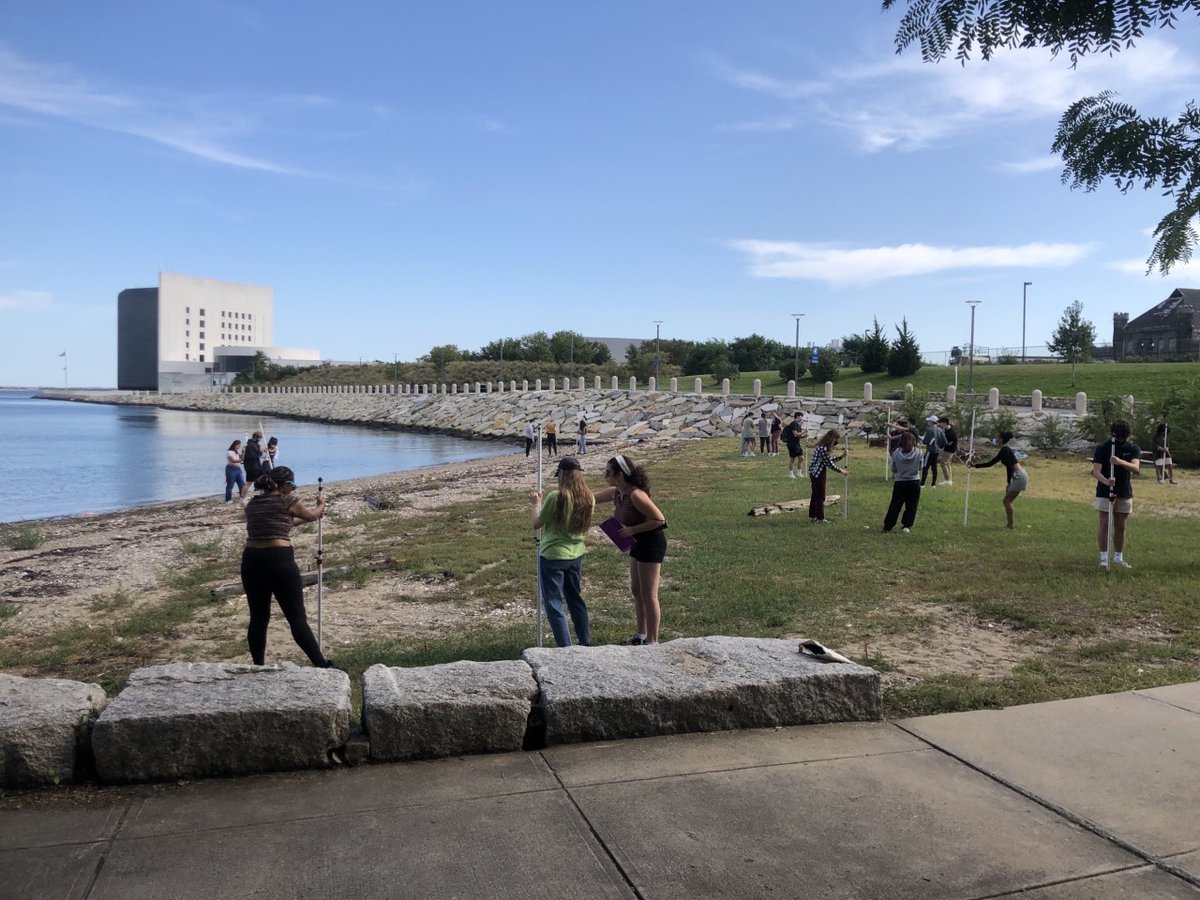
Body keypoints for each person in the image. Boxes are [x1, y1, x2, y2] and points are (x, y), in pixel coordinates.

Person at [240, 466, 336, 668]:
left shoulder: (253, 504)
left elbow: (282, 522)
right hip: (279, 559)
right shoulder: (289, 500)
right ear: (284, 485)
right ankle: (321, 664)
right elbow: (311, 516)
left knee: (258, 617)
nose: (293, 488)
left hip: (251, 561)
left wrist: (313, 514)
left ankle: (258, 665)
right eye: (292, 484)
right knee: (296, 617)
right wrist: (321, 505)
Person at [594, 454, 667, 645]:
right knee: (636, 590)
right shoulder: (616, 492)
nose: (605, 476)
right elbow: (591, 498)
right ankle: (641, 634)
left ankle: (652, 641)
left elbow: (660, 520)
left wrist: (632, 530)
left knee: (649, 594)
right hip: (637, 542)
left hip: (650, 542)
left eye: (608, 473)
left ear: (620, 475)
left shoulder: (636, 494)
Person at [532, 457, 594, 647]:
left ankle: (565, 647)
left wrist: (535, 504)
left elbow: (537, 523)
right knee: (575, 598)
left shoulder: (556, 497)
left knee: (553, 603)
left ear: (561, 475)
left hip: (553, 555)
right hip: (576, 553)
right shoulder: (589, 498)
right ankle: (584, 641)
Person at [1093, 420, 1141, 568]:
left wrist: (1120, 462)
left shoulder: (1132, 448)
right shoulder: (1103, 448)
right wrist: (1106, 481)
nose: (1121, 439)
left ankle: (1118, 557)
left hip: (1123, 492)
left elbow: (1136, 468)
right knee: (1105, 523)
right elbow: (1096, 471)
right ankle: (1103, 557)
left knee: (1121, 525)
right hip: (1106, 492)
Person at [969, 431, 1028, 529]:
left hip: (1019, 476)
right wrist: (974, 465)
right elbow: (990, 463)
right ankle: (1009, 525)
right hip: (1018, 475)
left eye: (996, 438)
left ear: (1001, 440)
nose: (994, 440)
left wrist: (1009, 482)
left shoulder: (1005, 450)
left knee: (1007, 501)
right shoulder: (1004, 450)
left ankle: (1010, 526)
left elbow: (1009, 467)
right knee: (1008, 501)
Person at [882, 430, 922, 532]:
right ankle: (907, 525)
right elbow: (921, 467)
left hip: (900, 481)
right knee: (912, 504)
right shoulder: (918, 452)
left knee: (895, 504)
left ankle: (888, 525)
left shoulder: (896, 453)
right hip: (914, 481)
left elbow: (893, 469)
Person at [808, 429, 848, 523]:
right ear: (832, 439)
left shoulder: (821, 447)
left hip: (815, 473)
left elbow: (828, 460)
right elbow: (829, 463)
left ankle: (813, 516)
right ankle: (820, 518)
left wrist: (841, 457)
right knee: (820, 496)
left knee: (815, 495)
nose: (835, 443)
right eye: (835, 440)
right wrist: (841, 471)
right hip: (818, 473)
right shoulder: (823, 449)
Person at [920, 416, 945, 488]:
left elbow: (925, 441)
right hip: (937, 451)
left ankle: (922, 484)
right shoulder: (940, 430)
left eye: (929, 421)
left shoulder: (929, 430)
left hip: (930, 451)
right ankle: (933, 484)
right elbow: (944, 441)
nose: (928, 422)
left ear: (931, 422)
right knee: (934, 467)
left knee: (925, 467)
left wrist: (923, 440)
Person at [784, 412, 807, 478]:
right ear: (798, 416)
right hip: (792, 443)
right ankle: (790, 474)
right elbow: (795, 434)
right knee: (792, 459)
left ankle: (799, 473)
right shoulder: (793, 424)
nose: (802, 418)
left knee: (801, 458)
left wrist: (804, 436)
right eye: (801, 416)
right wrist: (803, 432)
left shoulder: (798, 425)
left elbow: (798, 435)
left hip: (797, 444)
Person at [937, 416, 957, 485]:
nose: (940, 424)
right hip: (947, 449)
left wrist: (942, 448)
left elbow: (950, 443)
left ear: (945, 423)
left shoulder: (951, 432)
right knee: (948, 464)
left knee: (943, 463)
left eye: (941, 423)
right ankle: (949, 480)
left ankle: (947, 480)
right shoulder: (946, 430)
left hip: (949, 451)